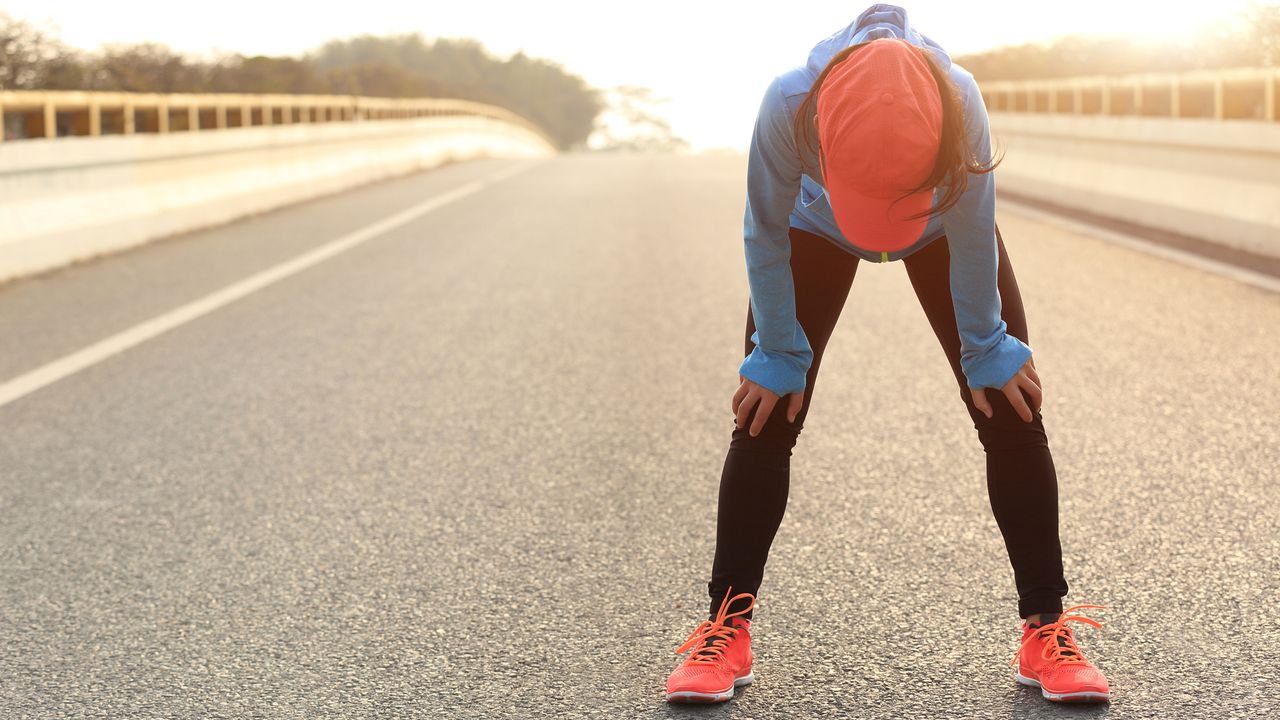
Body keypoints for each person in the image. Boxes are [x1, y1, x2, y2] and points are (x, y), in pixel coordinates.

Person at [664, 4, 1111, 706]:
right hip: (816, 224)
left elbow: (972, 229)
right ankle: (726, 627)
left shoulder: (957, 96)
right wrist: (779, 350)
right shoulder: (786, 101)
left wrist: (986, 346)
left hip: (938, 225)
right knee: (767, 409)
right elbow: (764, 231)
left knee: (1009, 403)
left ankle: (1046, 628)